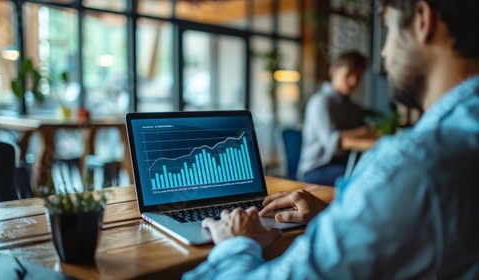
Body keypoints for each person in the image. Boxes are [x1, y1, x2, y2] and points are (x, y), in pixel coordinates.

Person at [183, 0, 479, 278]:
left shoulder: (411, 163)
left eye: (387, 29)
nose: (385, 54)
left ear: (423, 20)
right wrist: (341, 215)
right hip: (319, 167)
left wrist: (236, 243)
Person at [297, 50, 369, 186]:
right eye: (348, 75)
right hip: (316, 168)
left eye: (358, 76)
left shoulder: (353, 106)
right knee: (362, 179)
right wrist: (362, 131)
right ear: (334, 71)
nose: (353, 81)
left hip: (343, 164)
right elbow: (332, 144)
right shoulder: (321, 102)